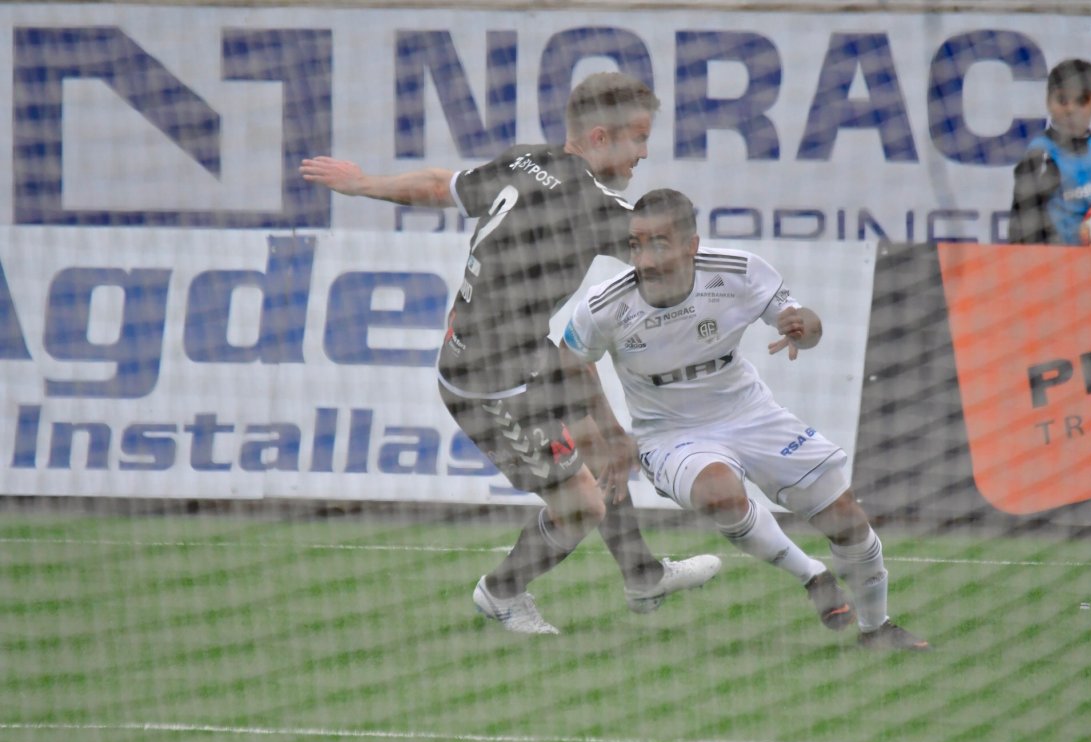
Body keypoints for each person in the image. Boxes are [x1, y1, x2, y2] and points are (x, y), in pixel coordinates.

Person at [300, 73, 720, 635]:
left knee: (606, 443)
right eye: (638, 138)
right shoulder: (590, 204)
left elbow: (439, 186)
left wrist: (363, 184)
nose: (643, 152)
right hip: (490, 384)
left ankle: (642, 576)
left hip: (520, 353)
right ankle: (500, 592)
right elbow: (668, 262)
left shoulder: (525, 161)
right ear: (601, 137)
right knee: (581, 506)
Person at [562, 188, 930, 650]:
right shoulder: (605, 304)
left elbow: (805, 323)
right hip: (669, 433)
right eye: (635, 244)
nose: (645, 259)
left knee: (845, 517)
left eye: (659, 244)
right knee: (719, 493)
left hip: (751, 413)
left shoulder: (738, 271)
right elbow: (570, 360)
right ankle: (812, 576)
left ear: (691, 245)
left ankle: (877, 629)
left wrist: (803, 328)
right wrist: (613, 433)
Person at [1008, 58, 1091, 245]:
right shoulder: (1040, 155)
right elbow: (1020, 234)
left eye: (1081, 100)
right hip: (1054, 261)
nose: (1071, 109)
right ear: (1049, 102)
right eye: (1063, 100)